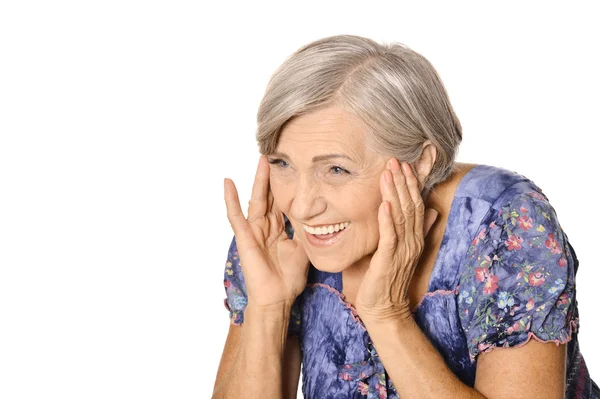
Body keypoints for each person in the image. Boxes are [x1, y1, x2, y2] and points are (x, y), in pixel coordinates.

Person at [211, 34, 599, 398]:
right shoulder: (280, 232)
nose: (301, 205)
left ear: (421, 163)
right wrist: (267, 309)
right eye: (282, 163)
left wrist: (387, 315)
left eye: (336, 169)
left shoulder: (502, 224)